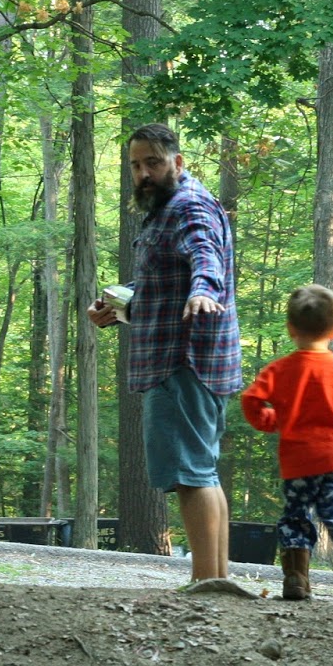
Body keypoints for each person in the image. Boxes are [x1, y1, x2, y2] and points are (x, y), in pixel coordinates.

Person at [88, 123, 243, 586]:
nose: (144, 173)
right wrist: (120, 305)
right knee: (201, 470)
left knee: (191, 473)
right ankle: (214, 580)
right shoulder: (164, 209)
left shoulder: (188, 205)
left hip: (184, 359)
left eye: (153, 162)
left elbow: (204, 257)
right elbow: (163, 282)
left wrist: (203, 291)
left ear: (178, 162)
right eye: (136, 165)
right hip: (186, 356)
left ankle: (204, 583)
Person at [240, 284, 333, 605]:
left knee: (296, 516)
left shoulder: (279, 370)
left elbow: (251, 400)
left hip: (299, 461)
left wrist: (272, 422)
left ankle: (296, 579)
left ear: (290, 329)